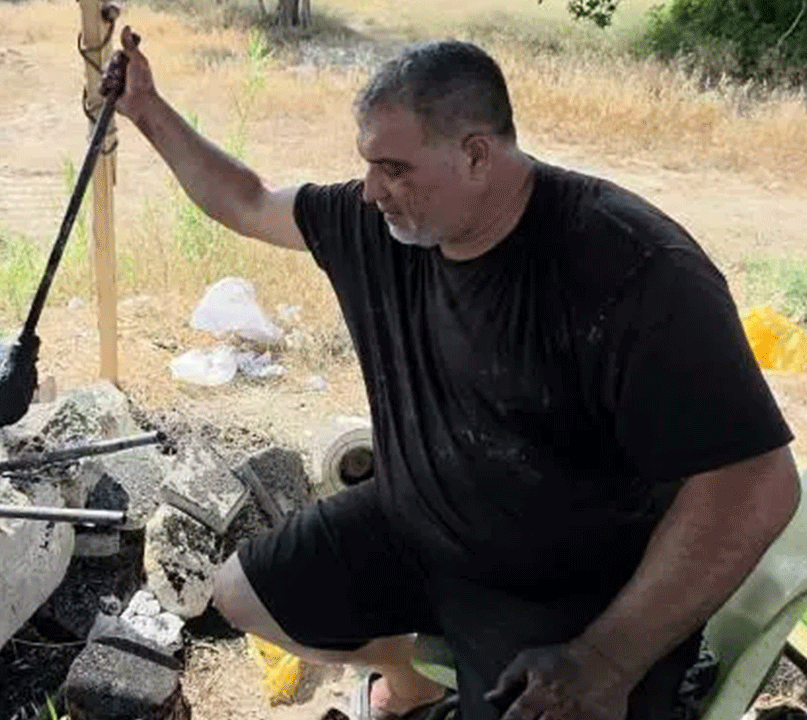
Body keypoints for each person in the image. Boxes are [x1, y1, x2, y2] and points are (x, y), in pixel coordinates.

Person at [108, 24, 802, 720]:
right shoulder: (384, 227)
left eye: (396, 168)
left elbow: (759, 482)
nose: (373, 191)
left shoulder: (630, 268)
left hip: (572, 588)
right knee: (240, 594)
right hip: (418, 527)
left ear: (477, 154)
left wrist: (607, 659)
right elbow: (249, 201)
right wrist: (148, 110)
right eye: (369, 165)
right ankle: (411, 683)